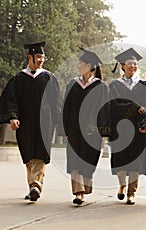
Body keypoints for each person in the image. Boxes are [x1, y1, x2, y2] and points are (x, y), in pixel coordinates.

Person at [0, 41, 62, 202]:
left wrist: (58, 123)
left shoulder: (49, 78)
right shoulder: (18, 78)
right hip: (25, 122)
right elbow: (11, 100)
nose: (41, 60)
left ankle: (36, 185)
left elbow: (56, 102)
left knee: (41, 154)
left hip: (45, 122)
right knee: (29, 154)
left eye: (43, 57)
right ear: (29, 57)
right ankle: (33, 186)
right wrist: (13, 117)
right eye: (38, 57)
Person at [62, 48, 110, 205]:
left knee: (88, 161)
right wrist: (65, 129)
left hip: (92, 132)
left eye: (80, 63)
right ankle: (78, 193)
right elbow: (66, 108)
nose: (78, 65)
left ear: (89, 66)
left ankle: (85, 188)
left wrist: (102, 130)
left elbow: (104, 110)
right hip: (74, 130)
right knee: (75, 160)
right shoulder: (73, 85)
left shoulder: (101, 87)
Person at [109, 48, 146, 205]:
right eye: (130, 63)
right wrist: (134, 105)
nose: (133, 66)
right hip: (120, 128)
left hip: (138, 129)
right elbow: (114, 104)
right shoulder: (114, 85)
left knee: (135, 162)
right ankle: (122, 185)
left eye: (135, 63)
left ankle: (132, 193)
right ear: (123, 66)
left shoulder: (144, 85)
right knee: (121, 160)